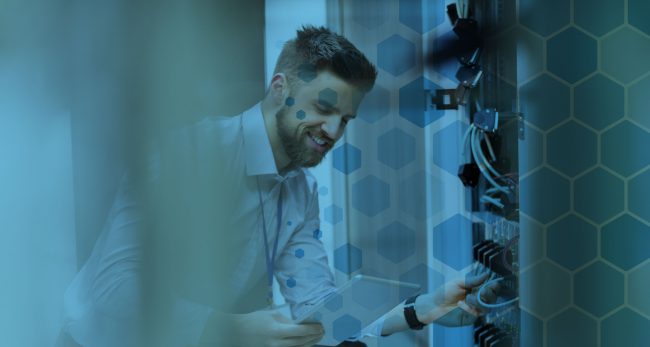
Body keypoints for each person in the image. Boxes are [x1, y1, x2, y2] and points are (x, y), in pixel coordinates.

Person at [62, 26, 495, 347]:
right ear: (279, 89)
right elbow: (113, 289)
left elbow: (318, 308)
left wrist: (422, 311)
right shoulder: (189, 154)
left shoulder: (298, 192)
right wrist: (230, 328)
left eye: (345, 119)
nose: (332, 130)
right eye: (323, 108)